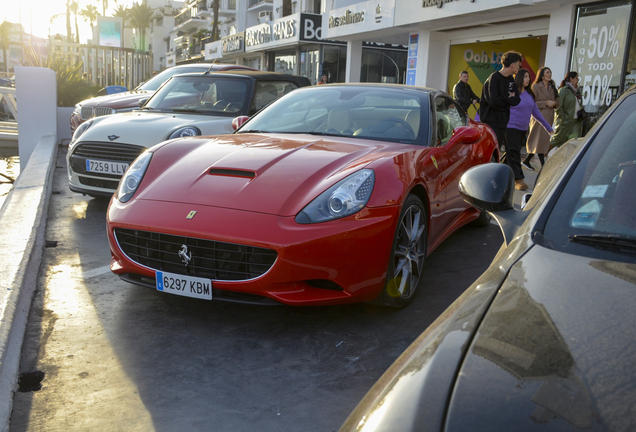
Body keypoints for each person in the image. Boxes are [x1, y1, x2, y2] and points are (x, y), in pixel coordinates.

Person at [506, 69, 553, 190]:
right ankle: (518, 179)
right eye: (525, 77)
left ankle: (499, 173)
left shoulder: (529, 94)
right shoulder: (512, 93)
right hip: (510, 127)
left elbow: (536, 113)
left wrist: (548, 128)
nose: (528, 79)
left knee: (510, 154)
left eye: (528, 77)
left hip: (522, 129)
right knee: (515, 153)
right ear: (520, 78)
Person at [479, 51, 522, 159]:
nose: (519, 67)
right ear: (512, 65)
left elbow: (517, 99)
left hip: (503, 121)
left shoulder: (511, 79)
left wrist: (506, 100)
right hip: (490, 122)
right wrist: (508, 99)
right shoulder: (494, 78)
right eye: (518, 64)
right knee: (488, 152)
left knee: (497, 150)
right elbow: (493, 101)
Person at [523, 67, 559, 170]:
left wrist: (555, 103)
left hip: (549, 116)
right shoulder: (535, 86)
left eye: (550, 72)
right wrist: (546, 103)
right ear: (542, 75)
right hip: (538, 117)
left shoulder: (552, 87)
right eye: (547, 72)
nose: (550, 74)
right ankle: (543, 165)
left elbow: (558, 101)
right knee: (538, 139)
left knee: (542, 140)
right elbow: (532, 102)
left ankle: (527, 161)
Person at [550, 71, 582, 151]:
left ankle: (566, 160)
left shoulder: (575, 91)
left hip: (575, 120)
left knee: (572, 141)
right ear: (570, 79)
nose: (578, 80)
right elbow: (558, 106)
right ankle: (543, 154)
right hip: (565, 120)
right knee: (557, 139)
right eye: (576, 78)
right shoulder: (563, 90)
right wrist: (562, 118)